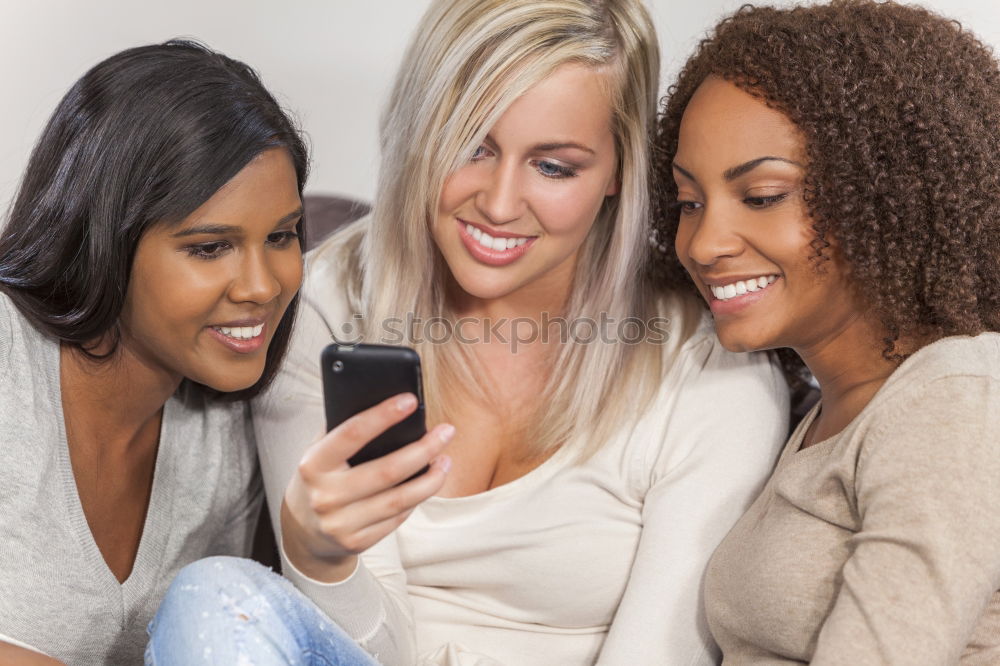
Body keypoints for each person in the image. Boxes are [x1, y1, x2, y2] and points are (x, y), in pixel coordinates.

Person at [152, 1, 789, 664]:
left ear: (619, 172)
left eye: (554, 166)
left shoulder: (711, 374)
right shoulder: (320, 304)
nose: (499, 202)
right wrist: (321, 559)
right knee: (213, 591)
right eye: (470, 146)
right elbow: (373, 648)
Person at [651, 1, 1000, 662]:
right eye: (689, 201)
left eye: (761, 196)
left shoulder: (953, 397)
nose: (702, 243)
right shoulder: (828, 408)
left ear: (886, 194)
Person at [0, 40, 309, 665]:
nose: (263, 286)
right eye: (208, 247)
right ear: (103, 239)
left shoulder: (225, 436)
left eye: (281, 236)